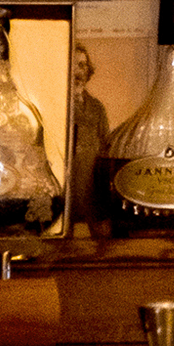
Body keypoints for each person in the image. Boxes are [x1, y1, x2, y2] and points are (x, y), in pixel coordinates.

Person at [68, 44, 110, 233]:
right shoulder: (56, 103)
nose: (78, 72)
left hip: (91, 182)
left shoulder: (96, 107)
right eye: (73, 65)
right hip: (67, 180)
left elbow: (106, 146)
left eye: (82, 65)